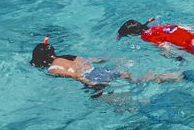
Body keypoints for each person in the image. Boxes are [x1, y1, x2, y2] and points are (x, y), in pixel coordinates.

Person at [30, 37, 182, 95]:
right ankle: (168, 77)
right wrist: (108, 59)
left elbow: (76, 76)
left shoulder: (52, 69)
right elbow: (92, 60)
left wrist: (92, 85)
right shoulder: (68, 56)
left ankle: (141, 103)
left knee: (111, 102)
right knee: (136, 79)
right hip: (100, 70)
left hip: (91, 78)